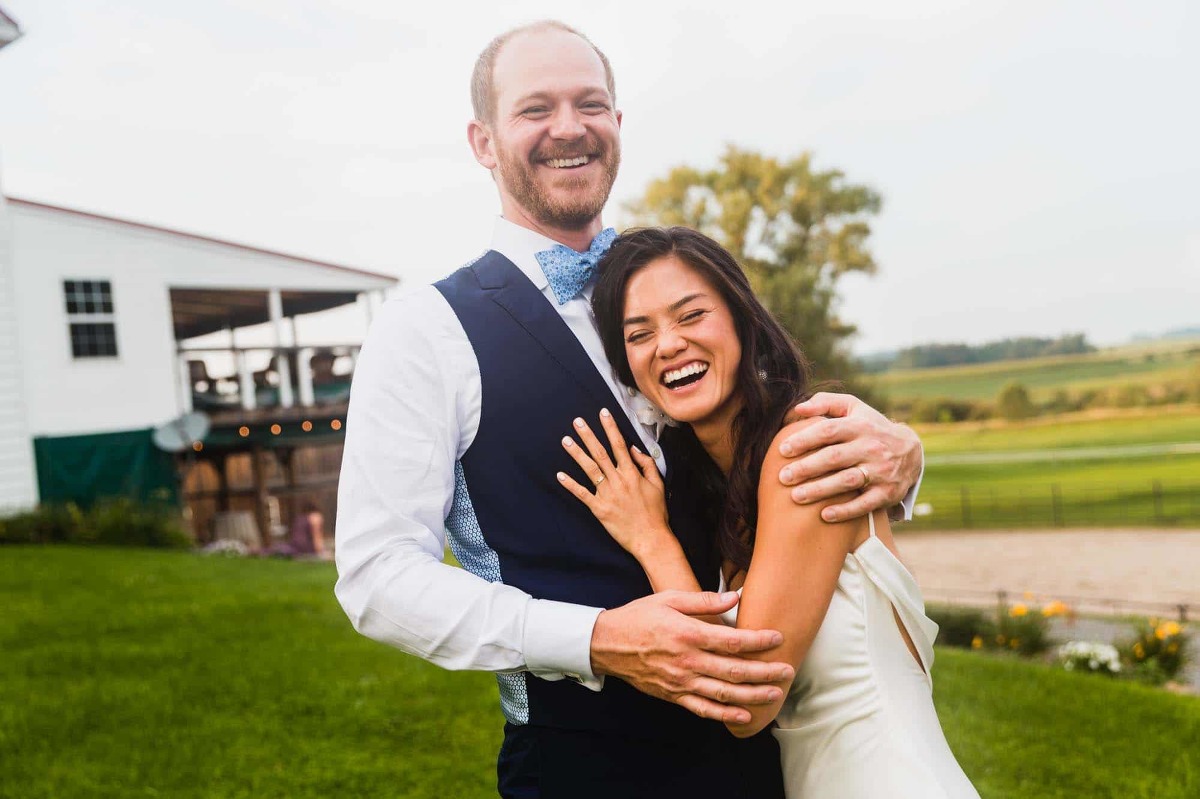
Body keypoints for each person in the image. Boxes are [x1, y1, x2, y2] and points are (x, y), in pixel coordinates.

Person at [335, 20, 925, 798]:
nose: (569, 127)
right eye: (535, 108)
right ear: (483, 142)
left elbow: (766, 448)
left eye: (591, 103)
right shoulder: (425, 332)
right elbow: (376, 576)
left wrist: (905, 459)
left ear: (617, 124)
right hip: (586, 770)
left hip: (763, 759)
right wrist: (598, 638)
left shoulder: (674, 288)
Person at [557, 226, 978, 798]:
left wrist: (650, 537)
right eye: (640, 333)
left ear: (741, 319)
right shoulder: (725, 487)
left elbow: (742, 700)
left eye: (690, 315)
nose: (669, 344)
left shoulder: (801, 453)